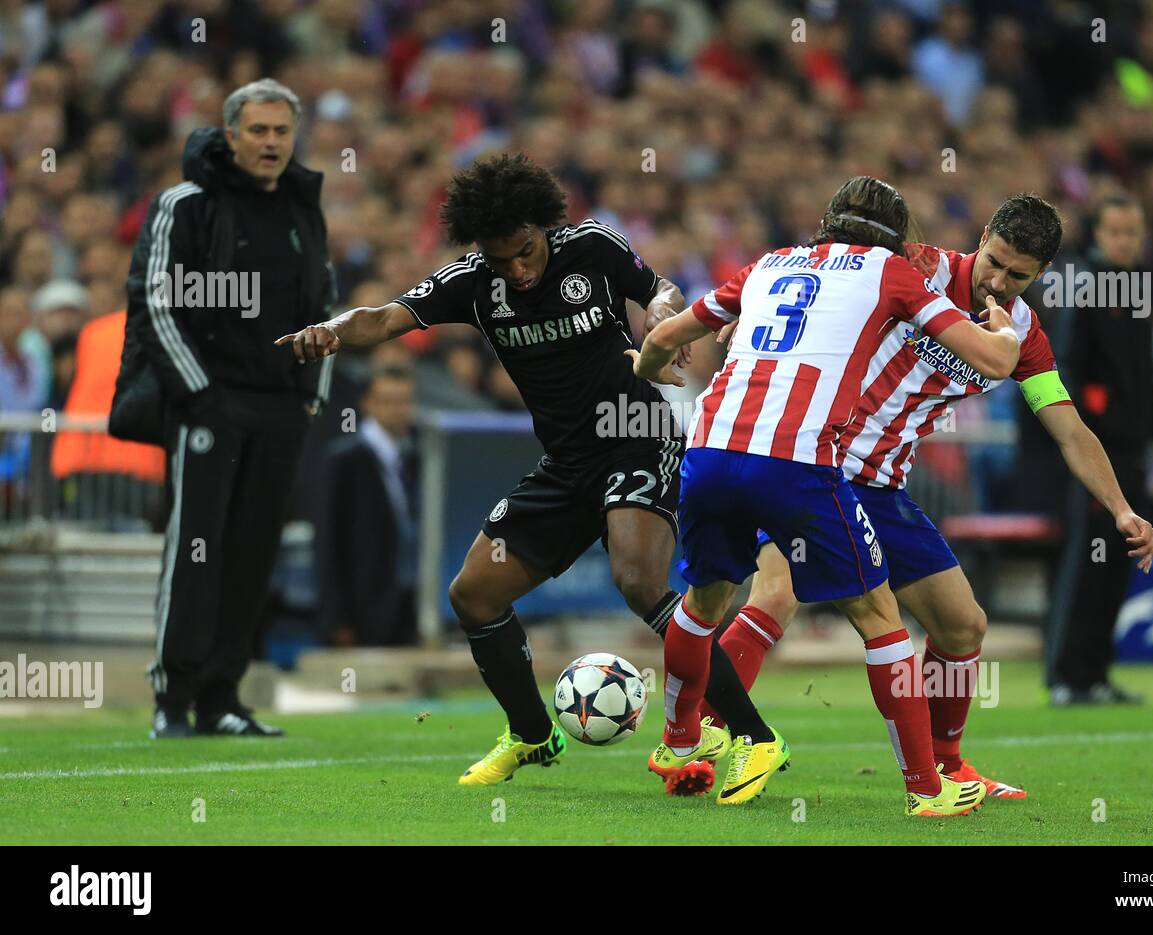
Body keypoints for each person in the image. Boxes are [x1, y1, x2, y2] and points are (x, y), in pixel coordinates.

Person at [276, 153, 776, 795]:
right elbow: (383, 318)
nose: (517, 267)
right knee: (473, 595)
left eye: (525, 250)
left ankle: (757, 739)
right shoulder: (472, 283)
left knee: (637, 579)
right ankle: (533, 736)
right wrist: (330, 330)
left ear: (543, 226)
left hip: (636, 437)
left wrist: (661, 317)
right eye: (500, 257)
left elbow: (661, 290)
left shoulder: (591, 247)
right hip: (567, 466)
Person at [666, 195, 1153, 798]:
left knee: (961, 627)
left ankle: (948, 767)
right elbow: (818, 290)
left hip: (885, 484)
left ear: (1042, 275)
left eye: (1018, 275)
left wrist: (1122, 508)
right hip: (817, 462)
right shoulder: (914, 266)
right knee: (775, 594)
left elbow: (1070, 429)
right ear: (983, 238)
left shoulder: (1024, 335)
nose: (998, 282)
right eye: (994, 263)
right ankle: (717, 742)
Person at [629, 176, 1023, 815]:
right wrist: (1005, 337)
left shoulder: (768, 264)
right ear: (895, 242)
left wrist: (647, 370)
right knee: (877, 616)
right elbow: (994, 360)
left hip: (708, 449)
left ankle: (680, 741)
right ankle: (930, 789)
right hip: (797, 461)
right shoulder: (892, 275)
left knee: (702, 604)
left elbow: (666, 338)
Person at [115, 78, 335, 739]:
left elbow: (320, 309)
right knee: (196, 550)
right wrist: (200, 395)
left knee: (252, 553)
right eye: (258, 130)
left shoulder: (301, 205)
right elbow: (154, 299)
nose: (270, 143)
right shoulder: (186, 204)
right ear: (231, 132)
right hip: (208, 403)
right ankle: (171, 698)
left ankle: (221, 697)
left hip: (278, 407)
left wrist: (310, 399)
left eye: (281, 132)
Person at [1046, 194, 1153, 704]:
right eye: (1116, 232)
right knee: (1086, 563)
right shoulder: (1088, 287)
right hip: (1098, 451)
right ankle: (1064, 675)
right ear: (1098, 236)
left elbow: (1146, 377)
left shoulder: (1138, 289)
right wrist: (1087, 428)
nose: (1125, 241)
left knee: (1117, 563)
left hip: (1132, 447)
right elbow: (1069, 367)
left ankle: (1094, 673)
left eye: (1133, 232)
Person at [316, 364, 421, 647]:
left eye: (403, 401)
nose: (397, 410)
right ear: (367, 404)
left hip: (410, 599)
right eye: (387, 401)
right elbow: (327, 543)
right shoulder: (344, 460)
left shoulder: (417, 458)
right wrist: (336, 618)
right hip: (362, 605)